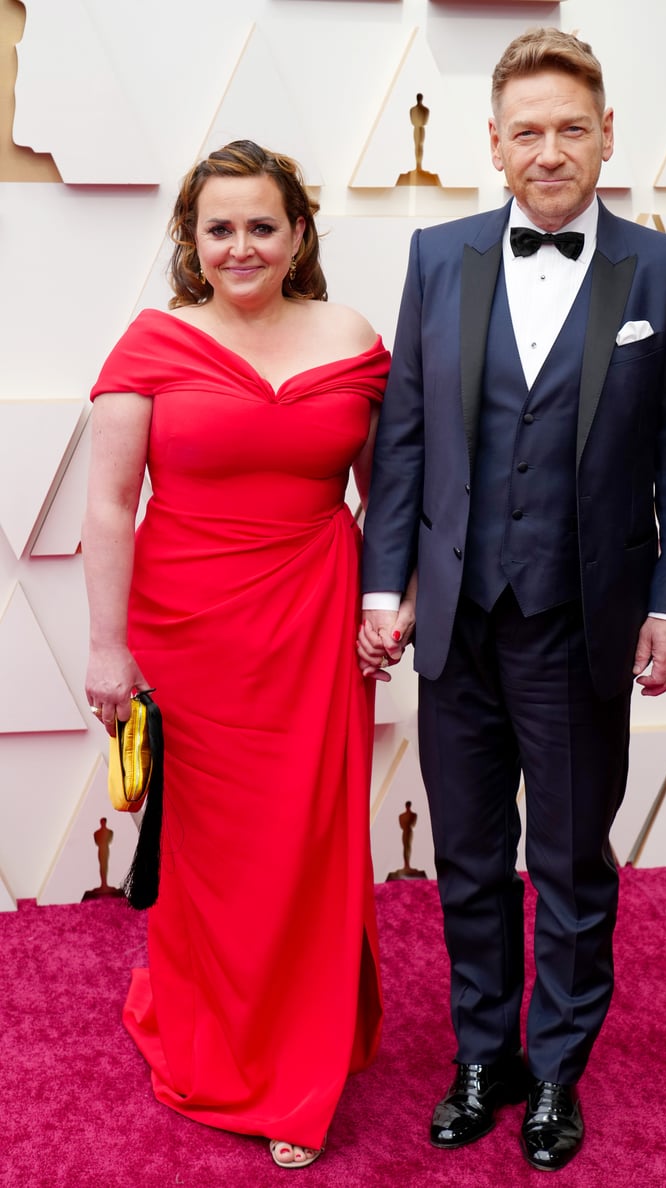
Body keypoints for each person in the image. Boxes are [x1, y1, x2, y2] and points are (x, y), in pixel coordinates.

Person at [357, 28, 666, 1172]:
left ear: (607, 134)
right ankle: (485, 1056)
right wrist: (384, 583)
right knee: (467, 856)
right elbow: (404, 437)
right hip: (455, 617)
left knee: (566, 859)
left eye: (572, 128)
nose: (550, 150)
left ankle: (557, 1069)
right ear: (496, 146)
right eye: (528, 132)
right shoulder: (437, 257)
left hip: (584, 620)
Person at [82, 140, 388, 1171]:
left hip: (313, 623)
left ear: (299, 232)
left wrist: (396, 605)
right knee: (215, 860)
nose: (242, 246)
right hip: (189, 632)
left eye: (263, 225)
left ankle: (293, 1068)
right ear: (192, 239)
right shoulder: (154, 342)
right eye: (220, 228)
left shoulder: (352, 335)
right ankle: (220, 1045)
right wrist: (105, 647)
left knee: (305, 847)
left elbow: (392, 496)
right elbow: (111, 506)